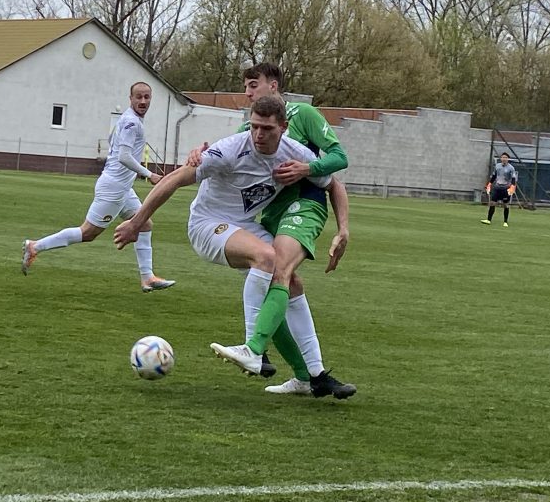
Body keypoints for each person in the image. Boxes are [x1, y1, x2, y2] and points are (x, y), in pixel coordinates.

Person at [113, 96, 354, 399]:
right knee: (267, 257)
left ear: (284, 127)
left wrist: (343, 229)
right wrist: (136, 222)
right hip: (206, 224)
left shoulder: (296, 153)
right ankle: (253, 348)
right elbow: (174, 180)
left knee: (289, 280)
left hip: (242, 226)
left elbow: (333, 184)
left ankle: (310, 376)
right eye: (254, 127)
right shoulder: (229, 150)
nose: (258, 135)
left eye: (267, 129)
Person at [186, 63, 355, 397]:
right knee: (282, 283)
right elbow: (228, 156)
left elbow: (337, 164)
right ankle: (311, 376)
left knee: (278, 270)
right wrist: (199, 154)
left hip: (304, 204)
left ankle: (255, 349)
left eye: (252, 85)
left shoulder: (302, 114)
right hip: (269, 213)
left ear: (273, 86)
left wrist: (339, 221)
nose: (247, 93)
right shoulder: (247, 128)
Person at [22, 82, 176, 292]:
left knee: (145, 224)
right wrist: (149, 175)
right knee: (88, 233)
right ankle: (35, 246)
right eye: (138, 97)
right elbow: (123, 156)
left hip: (122, 187)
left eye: (147, 97)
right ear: (130, 99)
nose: (143, 101)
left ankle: (147, 277)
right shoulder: (131, 123)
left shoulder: (127, 120)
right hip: (113, 188)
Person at [482, 152, 518, 227]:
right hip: (497, 188)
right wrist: (489, 184)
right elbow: (494, 176)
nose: (504, 159)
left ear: (508, 159)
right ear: (501, 158)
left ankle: (505, 222)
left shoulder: (511, 168)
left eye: (505, 157)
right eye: (502, 157)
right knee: (492, 203)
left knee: (506, 205)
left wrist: (512, 187)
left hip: (506, 189)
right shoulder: (497, 166)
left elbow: (513, 179)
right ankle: (488, 220)